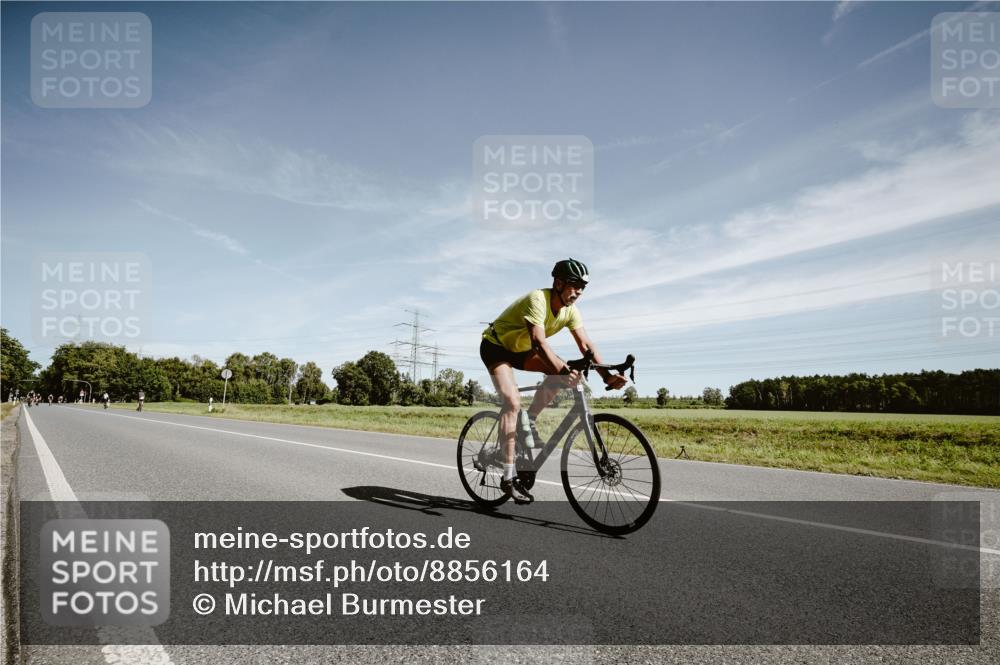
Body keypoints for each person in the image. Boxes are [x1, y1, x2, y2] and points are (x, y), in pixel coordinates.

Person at [479, 258, 627, 504]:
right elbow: (539, 342)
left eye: (582, 287)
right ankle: (507, 478)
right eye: (573, 285)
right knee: (513, 403)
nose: (578, 292)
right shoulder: (538, 299)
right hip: (496, 347)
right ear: (558, 283)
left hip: (522, 350)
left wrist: (606, 375)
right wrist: (563, 369)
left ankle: (531, 420)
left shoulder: (571, 311)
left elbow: (586, 345)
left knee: (561, 376)